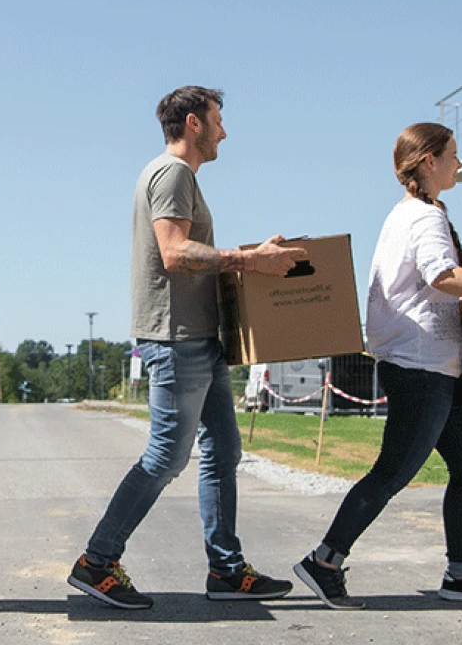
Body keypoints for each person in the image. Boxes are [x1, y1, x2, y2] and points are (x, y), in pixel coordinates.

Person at [292, 122, 462, 610]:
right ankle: (324, 560)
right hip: (420, 368)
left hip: (435, 368)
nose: (459, 162)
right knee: (393, 471)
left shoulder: (407, 215)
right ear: (428, 161)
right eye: (452, 154)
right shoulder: (424, 219)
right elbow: (443, 276)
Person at [67, 86, 305, 610]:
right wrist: (248, 261)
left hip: (199, 336)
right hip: (176, 340)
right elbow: (175, 254)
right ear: (194, 123)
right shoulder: (172, 173)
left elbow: (188, 252)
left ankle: (225, 570)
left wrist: (253, 256)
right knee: (165, 457)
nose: (225, 132)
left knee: (223, 449)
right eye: (219, 121)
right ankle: (97, 562)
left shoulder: (178, 177)